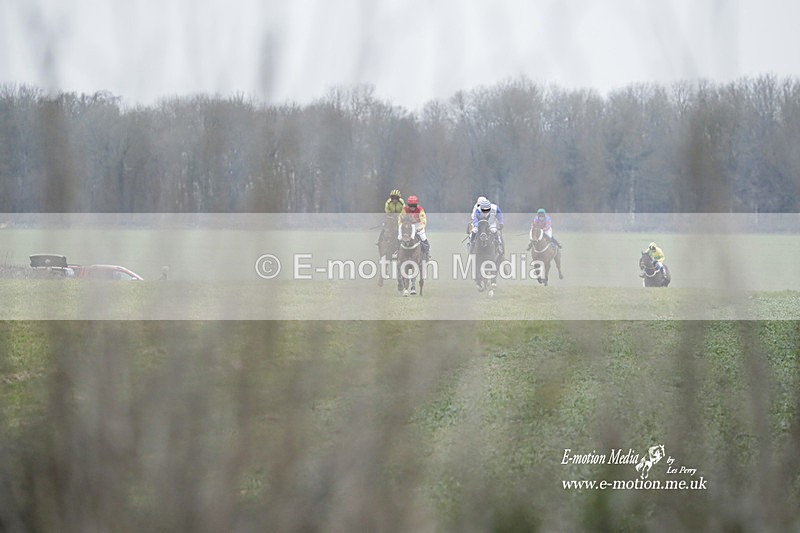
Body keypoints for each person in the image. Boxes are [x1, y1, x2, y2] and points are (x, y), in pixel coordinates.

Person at [399, 195, 430, 260]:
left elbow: (423, 221)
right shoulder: (405, 209)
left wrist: (419, 228)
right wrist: (401, 225)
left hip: (418, 225)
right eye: (410, 205)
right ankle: (396, 251)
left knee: (424, 239)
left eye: (414, 205)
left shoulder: (420, 210)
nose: (412, 207)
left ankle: (426, 254)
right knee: (399, 237)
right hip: (408, 226)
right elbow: (400, 218)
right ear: (408, 205)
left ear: (416, 205)